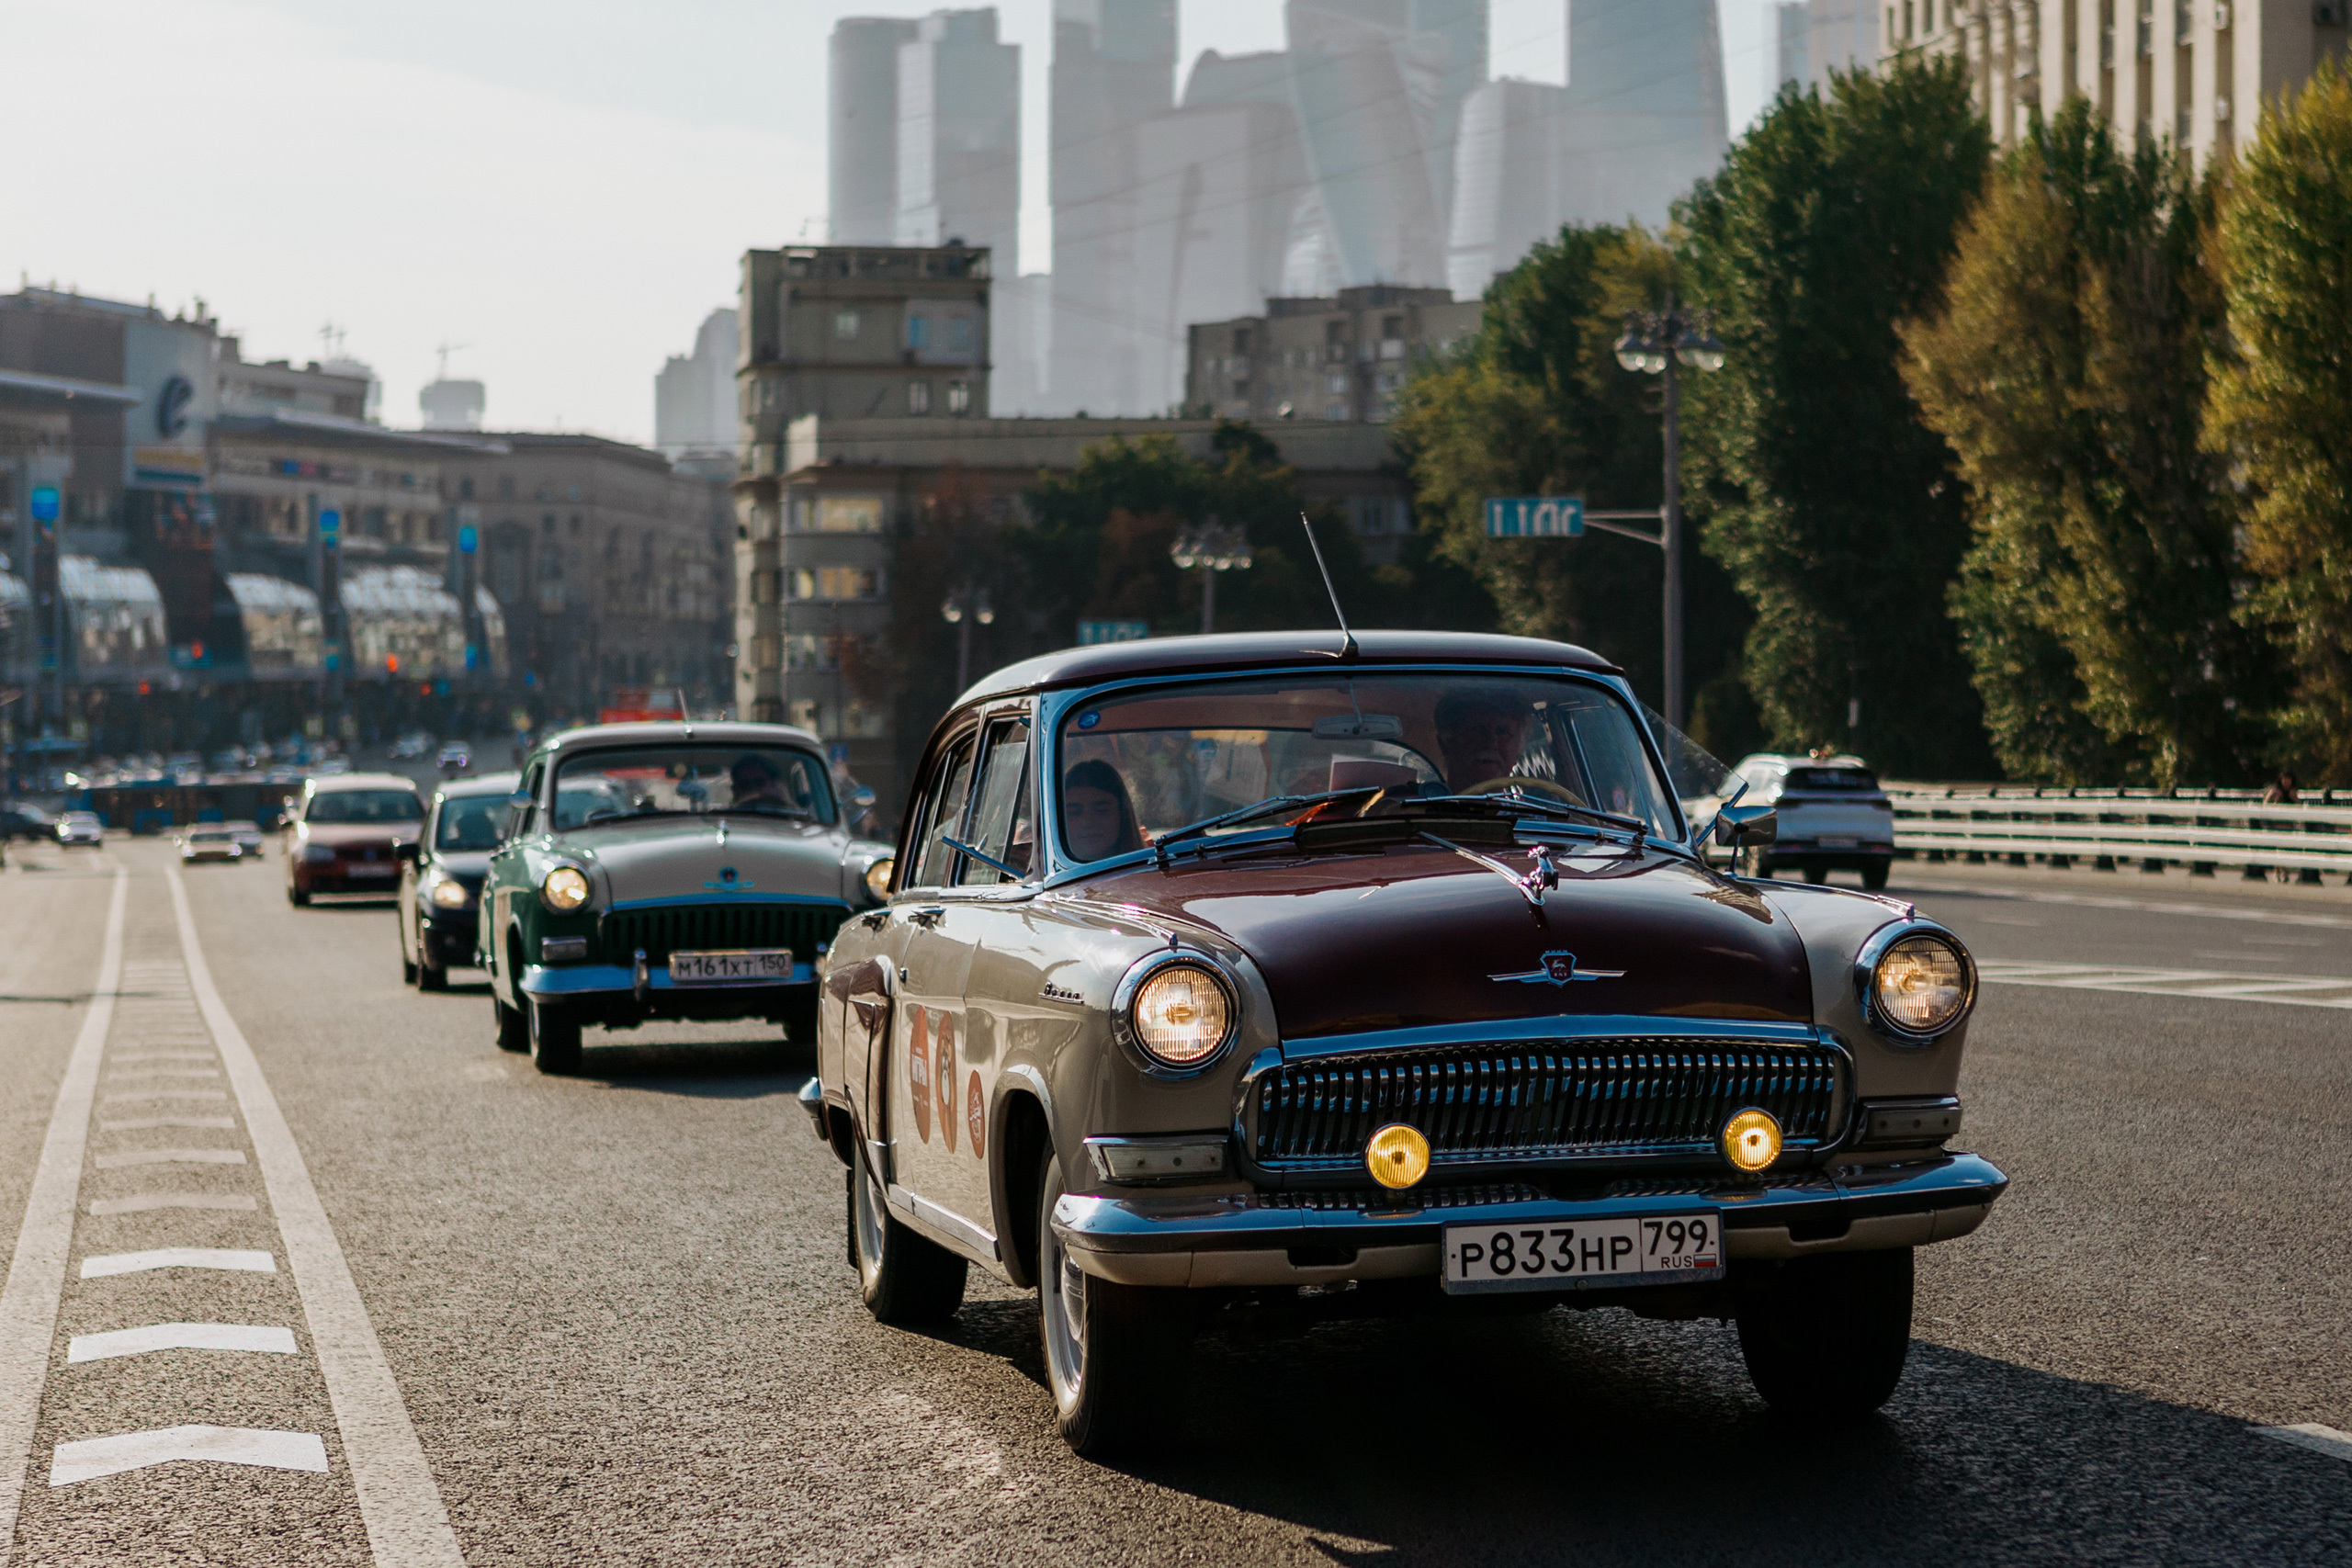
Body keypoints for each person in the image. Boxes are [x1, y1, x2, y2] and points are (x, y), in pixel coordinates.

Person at [1432, 685, 1535, 792]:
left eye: (1503, 732)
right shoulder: (1419, 807)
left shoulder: (1541, 808)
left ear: (1519, 749)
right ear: (1445, 743)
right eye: (1478, 730)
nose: (1491, 743)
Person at [1062, 759, 1144, 862]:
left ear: (1122, 814)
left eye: (1101, 810)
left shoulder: (1149, 872)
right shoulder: (1043, 875)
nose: (1087, 822)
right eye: (1074, 812)